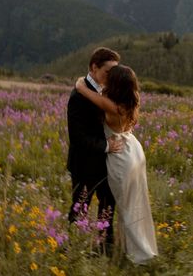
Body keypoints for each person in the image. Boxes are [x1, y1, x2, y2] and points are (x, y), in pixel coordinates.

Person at [76, 64, 158, 265]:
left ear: (117, 84)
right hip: (133, 149)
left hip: (121, 156)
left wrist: (81, 83)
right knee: (137, 204)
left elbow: (82, 89)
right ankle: (134, 248)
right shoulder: (130, 101)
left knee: (127, 207)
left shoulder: (111, 106)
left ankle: (140, 256)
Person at [67, 47, 123, 250]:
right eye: (108, 72)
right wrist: (107, 146)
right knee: (80, 206)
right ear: (94, 67)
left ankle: (105, 248)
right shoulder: (78, 97)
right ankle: (72, 248)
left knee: (108, 205)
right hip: (84, 164)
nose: (111, 77)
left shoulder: (105, 91)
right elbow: (77, 137)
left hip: (106, 163)